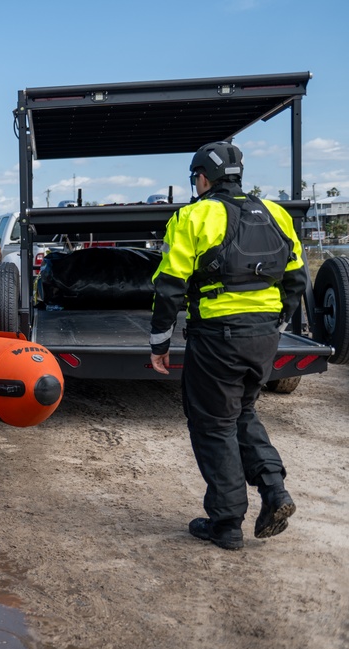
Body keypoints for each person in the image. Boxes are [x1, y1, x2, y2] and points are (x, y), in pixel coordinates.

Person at [150, 141, 307, 551]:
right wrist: (277, 322)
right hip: (264, 336)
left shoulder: (194, 215)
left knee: (213, 425)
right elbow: (296, 278)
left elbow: (169, 286)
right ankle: (275, 490)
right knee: (244, 411)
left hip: (218, 336)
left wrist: (159, 341)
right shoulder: (276, 213)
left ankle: (226, 523)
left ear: (202, 178)